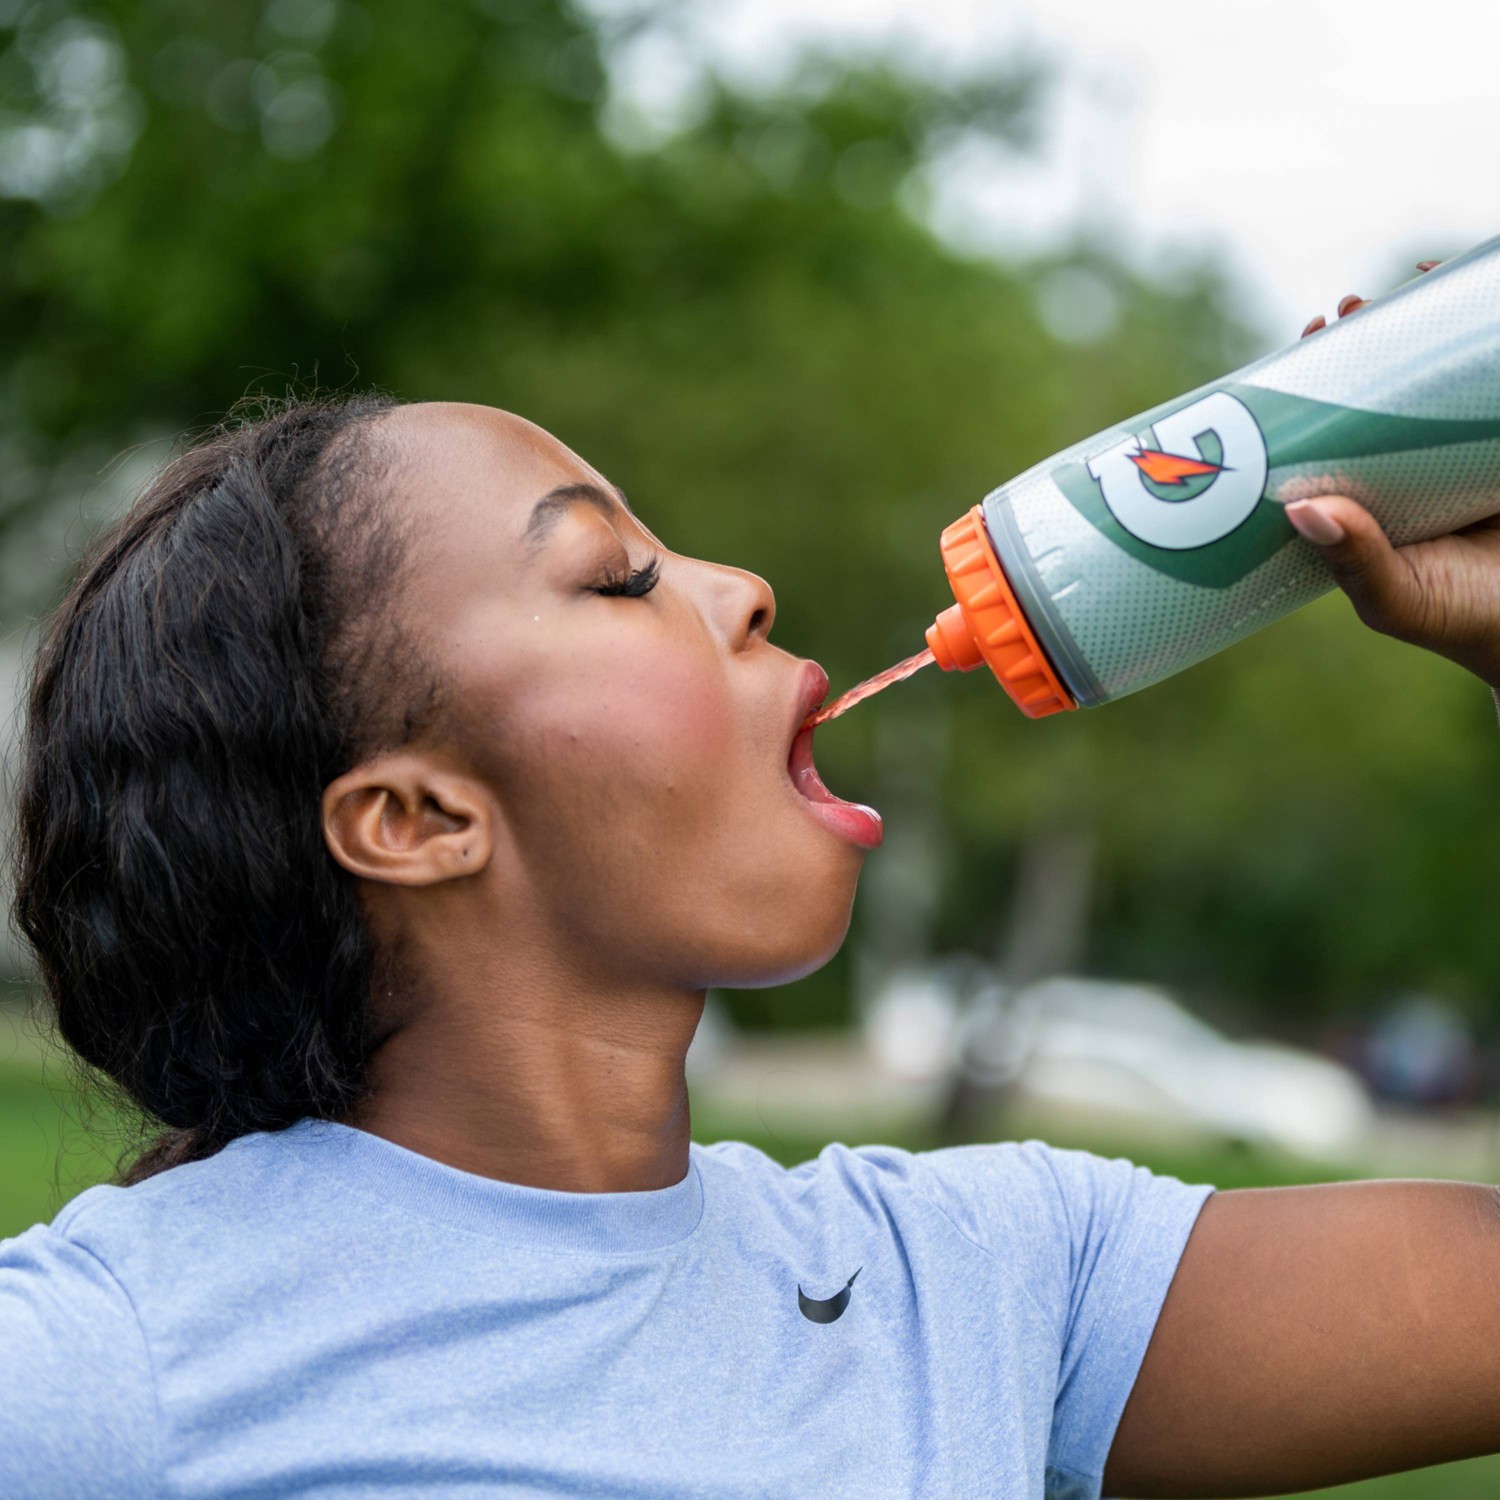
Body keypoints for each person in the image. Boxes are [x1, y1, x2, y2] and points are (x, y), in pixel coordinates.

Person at [3, 275, 1500, 1500]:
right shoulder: (102, 1365)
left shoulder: (975, 1284)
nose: (742, 588)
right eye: (615, 577)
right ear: (411, 817)